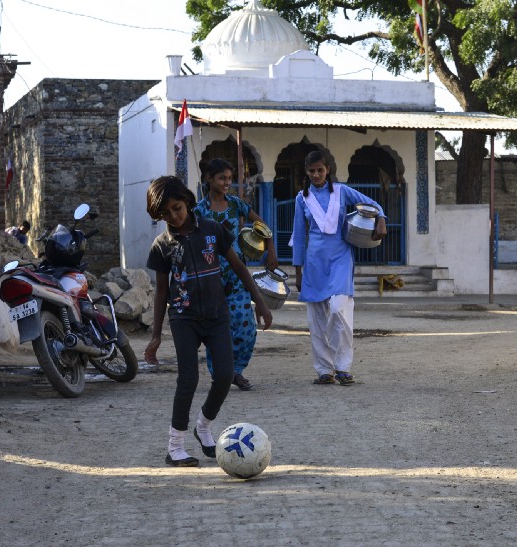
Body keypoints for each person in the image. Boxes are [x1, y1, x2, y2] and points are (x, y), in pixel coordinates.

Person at [143, 176, 272, 467]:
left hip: (216, 314)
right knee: (188, 379)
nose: (173, 217)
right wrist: (156, 335)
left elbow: (239, 268)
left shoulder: (214, 231)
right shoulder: (161, 245)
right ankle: (175, 446)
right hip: (183, 318)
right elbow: (162, 291)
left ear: (187, 201)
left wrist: (260, 302)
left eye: (177, 208)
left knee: (226, 375)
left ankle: (203, 426)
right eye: (165, 214)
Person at [291, 150, 386, 386]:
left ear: (328, 170)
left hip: (341, 259)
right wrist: (298, 270)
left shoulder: (342, 192)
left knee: (337, 308)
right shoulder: (301, 198)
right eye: (311, 171)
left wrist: (381, 219)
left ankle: (343, 366)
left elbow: (372, 204)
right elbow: (300, 236)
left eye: (320, 170)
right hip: (314, 263)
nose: (316, 174)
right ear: (306, 172)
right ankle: (324, 369)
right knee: (317, 320)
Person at [195, 158, 278, 391]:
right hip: (211, 278)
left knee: (246, 329)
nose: (226, 183)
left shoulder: (236, 204)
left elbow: (262, 226)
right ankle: (222, 373)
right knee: (217, 330)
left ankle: (236, 369)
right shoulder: (199, 211)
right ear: (209, 179)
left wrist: (270, 249)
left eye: (230, 178)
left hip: (237, 274)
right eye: (222, 178)